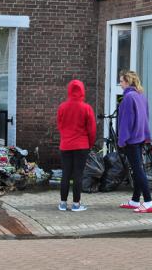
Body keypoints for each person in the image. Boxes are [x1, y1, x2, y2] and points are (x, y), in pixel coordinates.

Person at [118, 71, 152, 213]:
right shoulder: (141, 96)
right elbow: (146, 117)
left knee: (138, 170)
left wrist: (122, 140)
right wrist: (146, 135)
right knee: (137, 169)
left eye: (121, 81)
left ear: (128, 82)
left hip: (131, 140)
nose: (120, 84)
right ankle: (135, 200)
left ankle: (148, 201)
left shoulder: (128, 98)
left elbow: (126, 122)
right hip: (140, 138)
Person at [56, 79, 96, 211]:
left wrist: (65, 137)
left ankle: (62, 203)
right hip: (81, 145)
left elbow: (60, 125)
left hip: (66, 145)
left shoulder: (62, 107)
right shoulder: (86, 108)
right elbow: (92, 129)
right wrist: (90, 144)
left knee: (66, 174)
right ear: (82, 90)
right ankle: (76, 204)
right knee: (78, 174)